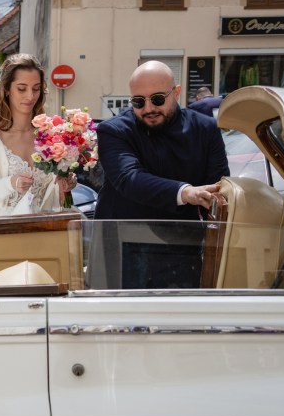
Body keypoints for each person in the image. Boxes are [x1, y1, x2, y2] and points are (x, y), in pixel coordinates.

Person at [94, 61, 229, 288]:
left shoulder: (205, 129)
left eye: (157, 99)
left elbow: (219, 187)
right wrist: (185, 192)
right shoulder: (114, 130)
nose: (148, 108)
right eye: (138, 102)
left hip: (181, 250)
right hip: (123, 249)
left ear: (176, 92)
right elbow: (128, 178)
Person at [0, 53, 75, 215]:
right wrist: (9, 183)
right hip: (7, 229)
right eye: (21, 89)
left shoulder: (51, 137)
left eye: (36, 89)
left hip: (47, 228)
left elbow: (64, 203)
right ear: (7, 90)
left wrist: (66, 189)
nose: (30, 96)